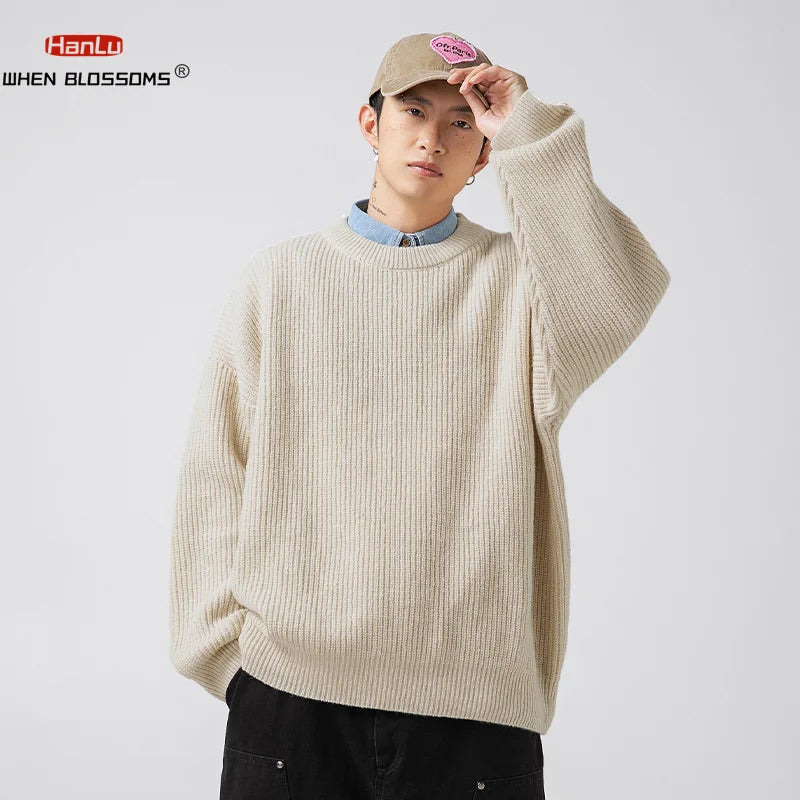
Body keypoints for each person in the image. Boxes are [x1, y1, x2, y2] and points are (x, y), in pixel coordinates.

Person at [168, 31, 671, 800]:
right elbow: (216, 470)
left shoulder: (524, 288)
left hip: (477, 718)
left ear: (485, 155)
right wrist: (229, 665)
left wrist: (527, 126)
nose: (434, 138)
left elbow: (619, 290)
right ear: (371, 124)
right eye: (414, 111)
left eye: (462, 121)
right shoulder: (280, 281)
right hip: (291, 701)